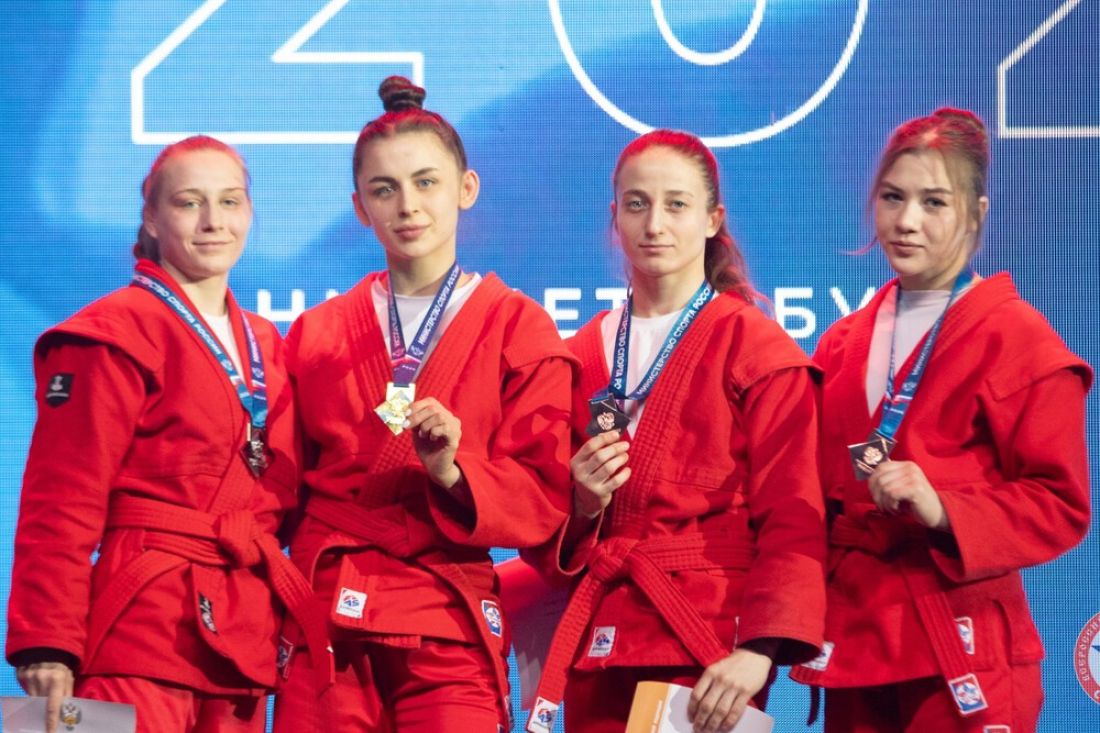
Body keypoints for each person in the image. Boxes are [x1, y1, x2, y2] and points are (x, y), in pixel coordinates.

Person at [271, 76, 575, 732]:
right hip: (328, 618)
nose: (407, 205)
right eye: (384, 189)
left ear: (466, 188)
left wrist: (452, 473)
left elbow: (545, 490)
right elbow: (276, 487)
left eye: (426, 182)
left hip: (445, 616)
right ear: (360, 207)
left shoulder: (519, 326)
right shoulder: (317, 333)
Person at [790, 108, 1093, 732]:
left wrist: (945, 508)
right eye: (892, 197)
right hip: (856, 639)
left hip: (961, 641)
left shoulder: (1016, 337)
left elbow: (1060, 503)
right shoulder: (841, 342)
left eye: (934, 202)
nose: (906, 221)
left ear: (976, 214)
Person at [5, 135, 318, 732]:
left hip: (239, 642)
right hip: (132, 630)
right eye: (189, 202)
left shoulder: (268, 345)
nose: (213, 222)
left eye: (229, 201)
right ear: (151, 217)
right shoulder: (108, 332)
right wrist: (45, 641)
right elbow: (61, 495)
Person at [527, 129, 826, 733]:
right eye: (637, 204)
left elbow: (795, 514)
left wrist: (759, 650)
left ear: (713, 219)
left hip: (706, 645)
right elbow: (537, 519)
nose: (655, 224)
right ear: (615, 218)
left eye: (677, 204)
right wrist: (582, 506)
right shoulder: (576, 355)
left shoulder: (756, 348)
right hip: (601, 636)